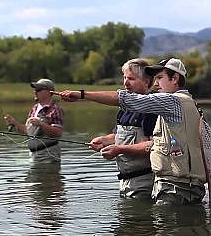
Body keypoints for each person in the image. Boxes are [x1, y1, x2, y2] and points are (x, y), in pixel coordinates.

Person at [57, 58, 206, 205]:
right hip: (181, 186)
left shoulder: (171, 102)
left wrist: (82, 94)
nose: (155, 83)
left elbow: (126, 99)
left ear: (175, 79)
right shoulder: (188, 102)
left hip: (176, 188)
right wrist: (107, 140)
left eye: (159, 78)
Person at [89, 58, 158, 200]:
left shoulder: (152, 109)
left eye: (131, 78)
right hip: (125, 182)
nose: (125, 83)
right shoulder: (125, 108)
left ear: (147, 81)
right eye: (125, 77)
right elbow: (118, 136)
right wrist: (104, 140)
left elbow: (153, 145)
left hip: (145, 182)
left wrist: (119, 149)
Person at [4, 78, 64, 162]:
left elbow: (58, 132)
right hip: (34, 157)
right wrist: (14, 123)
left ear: (49, 92)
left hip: (49, 156)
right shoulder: (34, 109)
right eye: (35, 89)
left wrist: (41, 125)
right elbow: (28, 131)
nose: (35, 92)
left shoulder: (55, 109)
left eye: (38, 89)